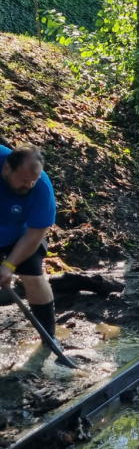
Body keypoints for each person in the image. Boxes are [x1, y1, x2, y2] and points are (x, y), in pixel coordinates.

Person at [0, 144, 57, 343]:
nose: (28, 186)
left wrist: (8, 266)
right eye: (24, 181)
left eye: (32, 181)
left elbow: (34, 234)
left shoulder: (41, 188)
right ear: (7, 169)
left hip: (19, 235)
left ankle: (48, 335)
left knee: (32, 275)